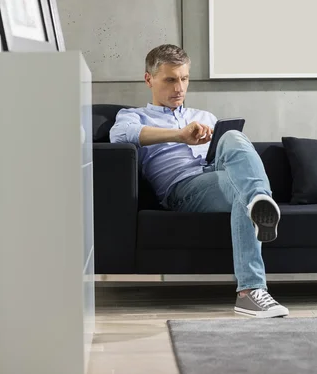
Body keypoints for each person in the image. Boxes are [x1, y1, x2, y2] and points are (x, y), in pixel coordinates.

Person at [110, 44, 289, 318]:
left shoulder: (204, 117)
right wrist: (179, 135)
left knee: (233, 137)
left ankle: (258, 203)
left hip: (219, 173)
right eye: (170, 79)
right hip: (183, 188)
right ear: (149, 79)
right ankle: (251, 285)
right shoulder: (134, 116)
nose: (179, 87)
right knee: (244, 191)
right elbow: (120, 137)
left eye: (184, 78)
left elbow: (229, 156)